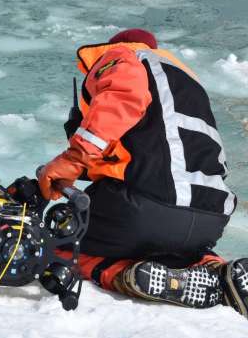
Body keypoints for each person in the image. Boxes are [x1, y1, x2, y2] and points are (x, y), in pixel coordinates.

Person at [38, 28, 248, 318]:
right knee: (165, 243)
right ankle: (212, 268)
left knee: (56, 243)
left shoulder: (123, 57)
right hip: (208, 221)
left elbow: (122, 101)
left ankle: (123, 275)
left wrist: (73, 159)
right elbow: (155, 154)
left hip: (145, 212)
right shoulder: (186, 81)